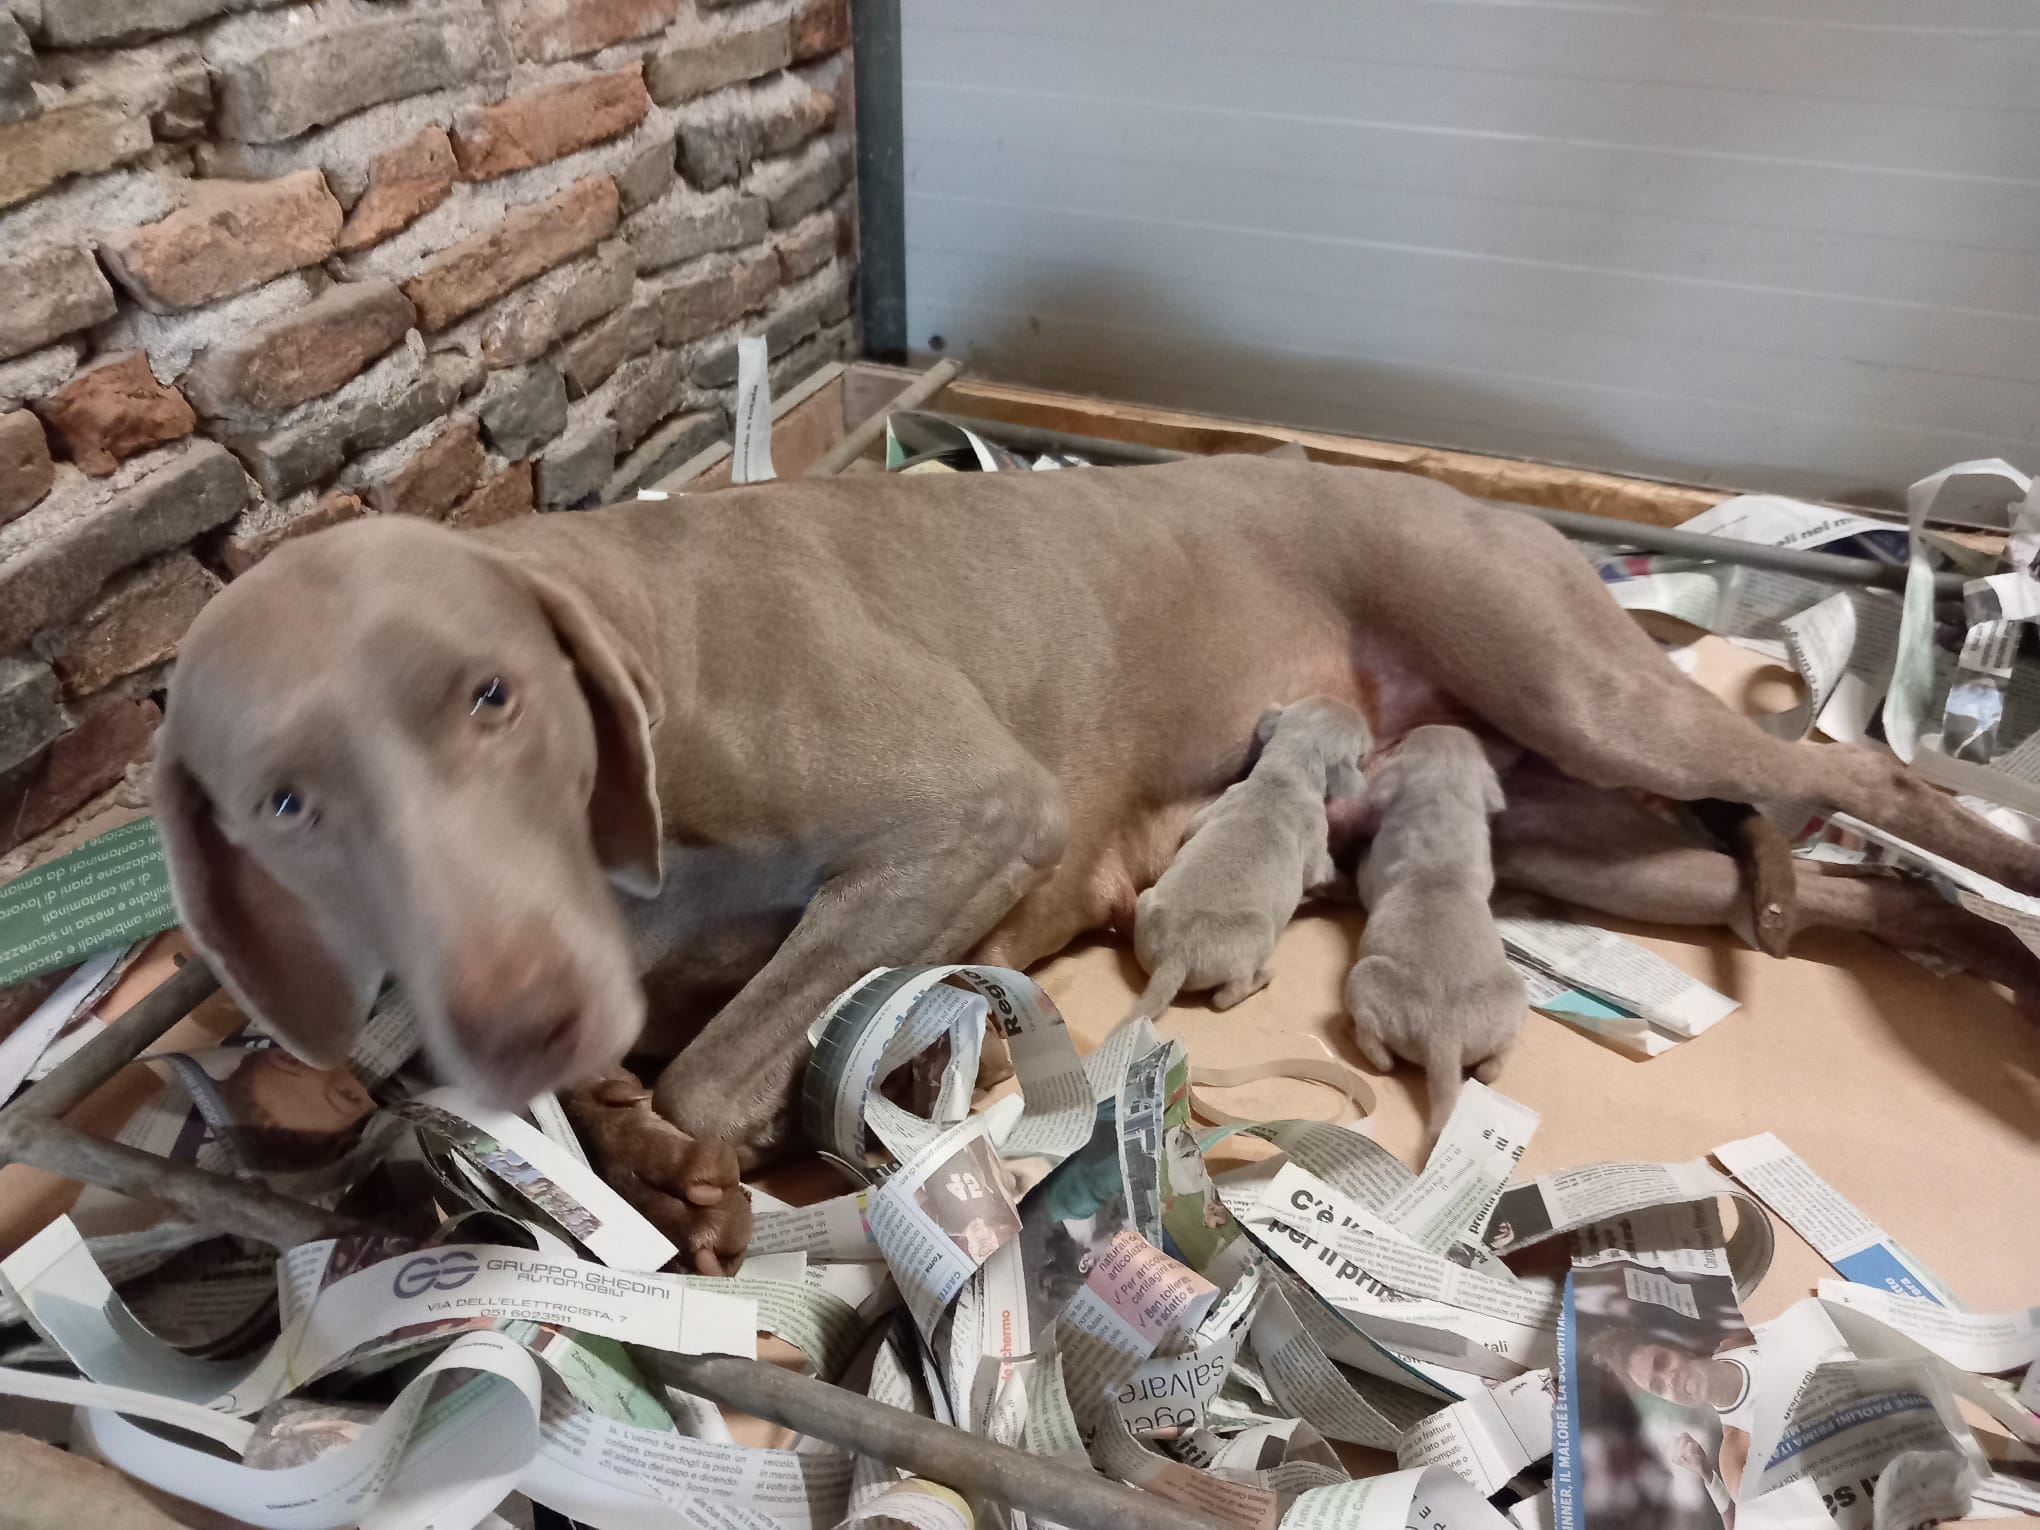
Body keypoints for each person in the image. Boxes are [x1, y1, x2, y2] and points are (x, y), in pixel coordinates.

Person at [1586, 1322, 1756, 1510]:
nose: (1670, 1380)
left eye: (1662, 1362)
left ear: (1681, 1348)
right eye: (1658, 1387)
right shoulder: (1734, 1457)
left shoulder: (1741, 1336)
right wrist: (1709, 1479)